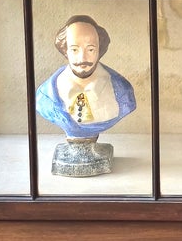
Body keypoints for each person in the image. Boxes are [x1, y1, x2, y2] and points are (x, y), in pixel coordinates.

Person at [34, 15, 136, 176]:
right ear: (64, 49)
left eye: (90, 49)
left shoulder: (123, 92)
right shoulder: (45, 96)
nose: (82, 58)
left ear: (100, 49)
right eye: (74, 49)